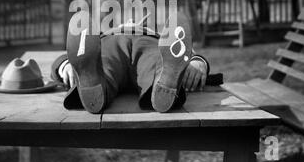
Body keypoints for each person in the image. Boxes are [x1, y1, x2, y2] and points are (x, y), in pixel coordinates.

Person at [51, 12, 210, 114]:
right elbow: (77, 52)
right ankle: (91, 80)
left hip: (148, 42)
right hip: (113, 41)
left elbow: (183, 53)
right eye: (129, 20)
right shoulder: (100, 37)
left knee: (159, 62)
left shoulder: (159, 36)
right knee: (104, 62)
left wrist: (196, 63)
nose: (132, 21)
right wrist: (67, 65)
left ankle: (165, 83)